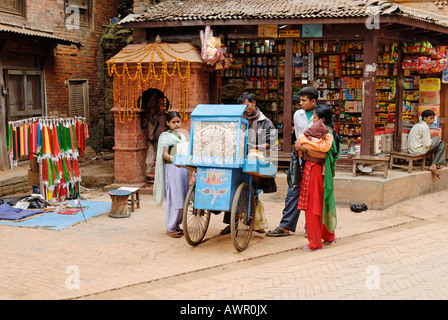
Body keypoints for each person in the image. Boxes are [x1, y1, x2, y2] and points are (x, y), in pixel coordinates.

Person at [220, 92, 277, 235]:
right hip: (237, 160)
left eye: (246, 106)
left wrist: (256, 147)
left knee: (252, 190)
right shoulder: (238, 118)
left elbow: (273, 144)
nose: (245, 109)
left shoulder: (266, 122)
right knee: (233, 189)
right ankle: (231, 223)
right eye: (242, 107)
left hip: (255, 160)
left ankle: (252, 220)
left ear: (253, 103)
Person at [266, 87, 318, 237]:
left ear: (313, 101)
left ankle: (311, 228)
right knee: (293, 189)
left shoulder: (320, 115)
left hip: (314, 158)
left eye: (304, 100)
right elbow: (298, 135)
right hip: (299, 157)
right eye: (300, 100)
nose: (300, 103)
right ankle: (286, 225)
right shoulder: (298, 114)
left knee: (312, 194)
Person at [295, 104, 340, 251]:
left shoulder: (325, 134)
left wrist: (304, 149)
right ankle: (328, 236)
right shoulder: (329, 133)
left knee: (312, 206)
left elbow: (322, 155)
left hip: (315, 170)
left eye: (314, 117)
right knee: (322, 202)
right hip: (321, 173)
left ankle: (314, 243)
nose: (312, 121)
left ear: (322, 120)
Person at [153, 111, 190, 238]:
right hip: (173, 168)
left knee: (183, 196)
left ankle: (177, 225)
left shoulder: (182, 136)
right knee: (175, 196)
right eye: (173, 122)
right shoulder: (165, 136)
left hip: (183, 169)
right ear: (168, 123)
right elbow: (164, 154)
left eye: (178, 121)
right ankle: (170, 227)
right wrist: (175, 160)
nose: (176, 124)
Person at [407, 109, 447, 178]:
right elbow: (427, 144)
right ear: (424, 118)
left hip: (412, 149)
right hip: (419, 150)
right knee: (438, 140)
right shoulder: (425, 127)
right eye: (431, 118)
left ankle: (434, 165)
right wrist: (433, 141)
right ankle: (434, 165)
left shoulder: (417, 125)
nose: (433, 120)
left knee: (441, 144)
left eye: (433, 118)